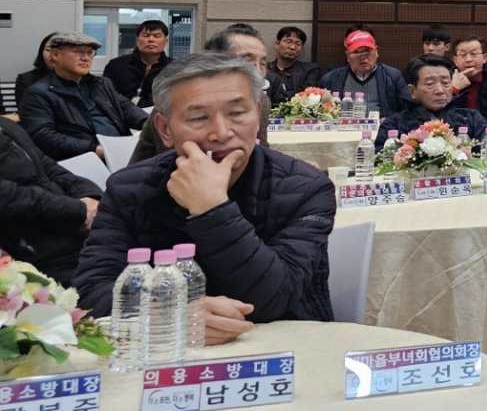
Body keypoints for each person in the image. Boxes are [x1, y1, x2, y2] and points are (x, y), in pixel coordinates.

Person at [74, 52, 335, 333]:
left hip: (282, 343)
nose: (221, 133)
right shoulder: (129, 188)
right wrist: (169, 312)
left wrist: (212, 208)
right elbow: (92, 291)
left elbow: (273, 300)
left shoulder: (305, 188)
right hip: (165, 346)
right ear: (164, 129)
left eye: (237, 113)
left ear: (258, 114)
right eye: (199, 118)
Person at [132, 25, 272, 166]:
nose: (257, 71)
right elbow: (178, 164)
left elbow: (260, 155)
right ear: (212, 60)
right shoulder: (179, 101)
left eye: (262, 63)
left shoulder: (260, 100)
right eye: (247, 62)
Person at [0, 115, 104, 286]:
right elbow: (11, 198)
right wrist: (80, 210)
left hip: (75, 234)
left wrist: (89, 196)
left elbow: (50, 168)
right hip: (38, 256)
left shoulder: (6, 126)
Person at [20, 31, 149, 161]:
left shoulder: (101, 84)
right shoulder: (39, 93)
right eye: (78, 52)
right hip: (81, 158)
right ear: (55, 55)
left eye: (90, 53)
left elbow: (126, 107)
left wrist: (147, 123)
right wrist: (93, 148)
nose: (86, 58)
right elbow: (43, 136)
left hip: (119, 149)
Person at [379, 55, 487, 166]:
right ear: (412, 91)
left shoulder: (471, 118)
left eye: (446, 83)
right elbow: (379, 162)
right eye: (430, 84)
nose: (440, 90)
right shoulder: (394, 125)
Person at [318, 27, 408, 116]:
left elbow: (407, 110)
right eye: (356, 52)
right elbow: (319, 113)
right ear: (348, 56)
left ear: (376, 52)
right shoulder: (330, 79)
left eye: (367, 51)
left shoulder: (392, 76)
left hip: (383, 124)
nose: (363, 57)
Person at [102, 18, 172, 107]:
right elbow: (107, 96)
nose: (151, 39)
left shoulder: (174, 68)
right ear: (137, 40)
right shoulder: (116, 65)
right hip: (122, 113)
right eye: (146, 35)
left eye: (156, 36)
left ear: (165, 41)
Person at [266, 25, 319, 105]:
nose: (292, 47)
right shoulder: (265, 70)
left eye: (297, 44)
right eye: (288, 42)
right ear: (277, 44)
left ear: (302, 49)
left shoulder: (310, 70)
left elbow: (306, 95)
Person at [13, 35, 53, 108]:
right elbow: (27, 110)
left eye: (60, 50)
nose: (53, 55)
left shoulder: (74, 79)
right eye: (48, 49)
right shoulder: (26, 79)